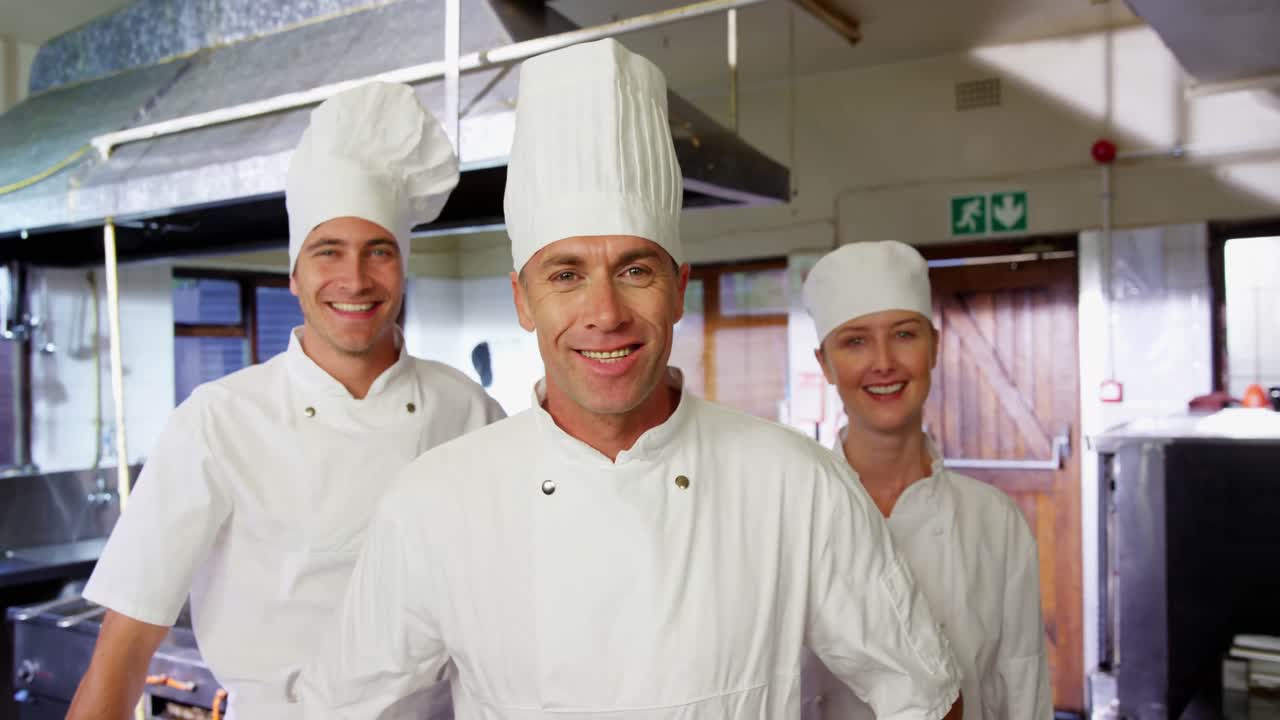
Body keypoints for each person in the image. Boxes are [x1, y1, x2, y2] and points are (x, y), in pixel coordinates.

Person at [298, 39, 962, 720]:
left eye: (635, 270)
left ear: (678, 290)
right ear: (522, 300)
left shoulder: (797, 483)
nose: (605, 314)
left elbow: (926, 695)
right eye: (565, 275)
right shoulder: (434, 504)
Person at [68, 81, 504, 720]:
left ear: (402, 268)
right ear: (295, 276)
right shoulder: (218, 421)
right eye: (329, 252)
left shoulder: (468, 410)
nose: (355, 279)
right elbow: (125, 646)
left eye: (378, 252)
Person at [800, 241, 1052, 719]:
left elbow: (1022, 688)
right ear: (825, 364)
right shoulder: (795, 513)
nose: (883, 363)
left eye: (903, 334)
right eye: (855, 340)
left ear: (934, 346)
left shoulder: (993, 521)